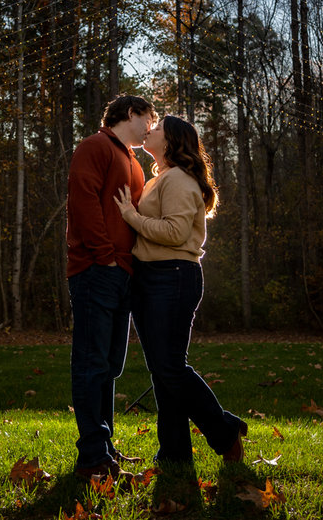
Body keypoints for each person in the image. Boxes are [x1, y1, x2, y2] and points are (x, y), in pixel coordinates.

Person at [114, 115, 247, 467]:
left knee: (170, 367)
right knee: (162, 369)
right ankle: (174, 452)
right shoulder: (162, 178)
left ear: (171, 141)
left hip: (172, 276)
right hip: (152, 277)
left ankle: (223, 430)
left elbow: (173, 233)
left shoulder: (179, 180)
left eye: (155, 129)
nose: (148, 130)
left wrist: (130, 216)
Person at [67, 94, 157, 478]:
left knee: (109, 366)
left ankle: (105, 449)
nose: (151, 127)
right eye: (148, 119)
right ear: (131, 113)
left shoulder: (132, 160)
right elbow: (83, 200)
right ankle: (92, 457)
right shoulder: (95, 146)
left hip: (124, 273)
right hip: (95, 269)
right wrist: (104, 254)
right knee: (91, 363)